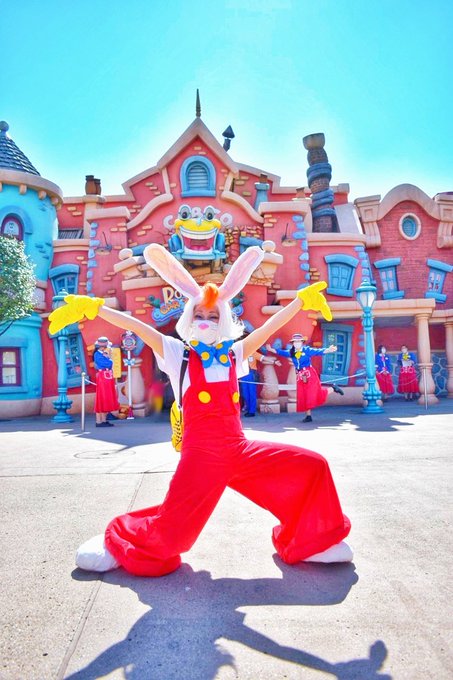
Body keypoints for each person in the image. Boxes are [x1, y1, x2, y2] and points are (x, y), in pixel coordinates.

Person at [49, 245, 352, 576]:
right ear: (189, 318)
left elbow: (266, 329)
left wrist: (300, 302)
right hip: (199, 458)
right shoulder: (176, 353)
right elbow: (138, 327)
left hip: (239, 450)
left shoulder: (234, 354)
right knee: (172, 537)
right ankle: (117, 541)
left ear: (223, 320)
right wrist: (94, 308)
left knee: (312, 466)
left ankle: (314, 542)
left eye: (213, 316)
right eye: (199, 315)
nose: (205, 321)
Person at [266, 334, 344, 423]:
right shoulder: (291, 352)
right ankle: (308, 415)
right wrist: (271, 349)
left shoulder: (307, 350)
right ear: (293, 343)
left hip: (309, 374)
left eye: (299, 341)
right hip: (300, 376)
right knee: (304, 395)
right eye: (295, 342)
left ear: (302, 342)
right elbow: (282, 352)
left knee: (314, 393)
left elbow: (318, 351)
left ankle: (333, 388)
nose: (297, 343)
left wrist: (328, 350)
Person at [93, 336, 120, 428]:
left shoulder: (103, 354)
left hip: (107, 375)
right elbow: (107, 364)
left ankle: (103, 420)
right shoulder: (97, 354)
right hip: (103, 376)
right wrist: (109, 359)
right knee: (102, 397)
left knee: (106, 397)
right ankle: (99, 421)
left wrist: (108, 357)